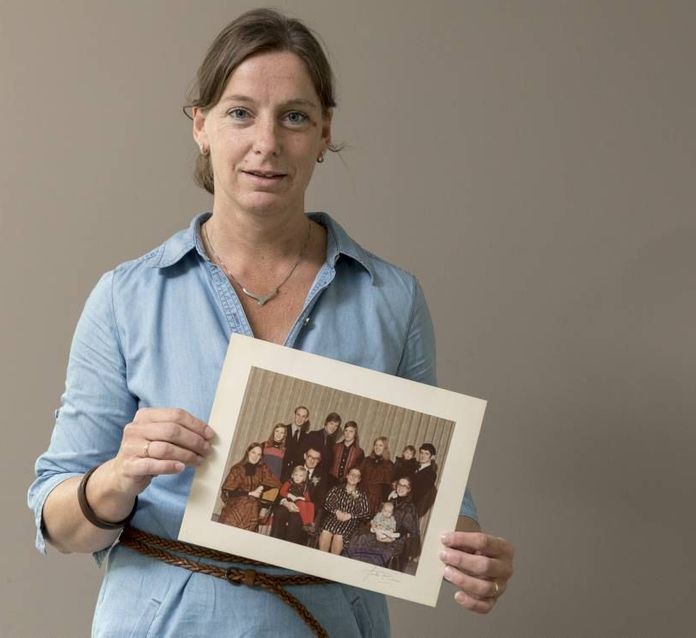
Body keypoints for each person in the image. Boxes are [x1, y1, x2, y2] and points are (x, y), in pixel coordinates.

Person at [27, 9, 514, 636]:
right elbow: (55, 519)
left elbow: (438, 504)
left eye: (294, 115)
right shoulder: (127, 298)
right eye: (239, 113)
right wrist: (118, 478)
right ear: (199, 125)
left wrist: (472, 556)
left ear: (324, 131)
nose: (267, 143)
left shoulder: (391, 299)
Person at [347, 478, 420, 571]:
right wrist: (376, 529)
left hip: (395, 536)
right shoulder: (391, 501)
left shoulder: (410, 507)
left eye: (405, 486)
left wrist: (389, 536)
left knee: (381, 552)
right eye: (400, 485)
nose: (401, 488)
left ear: (409, 489)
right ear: (396, 486)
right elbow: (378, 517)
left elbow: (405, 529)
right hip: (380, 529)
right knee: (360, 539)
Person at [218, 442, 281, 530]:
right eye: (253, 452)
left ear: (261, 457)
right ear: (248, 452)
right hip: (237, 503)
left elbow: (276, 482)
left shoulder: (262, 469)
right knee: (246, 505)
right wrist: (250, 493)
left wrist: (261, 487)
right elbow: (228, 492)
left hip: (254, 504)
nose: (255, 456)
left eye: (259, 454)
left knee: (252, 504)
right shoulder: (237, 469)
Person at [318, 467, 371, 555]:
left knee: (339, 536)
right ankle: (322, 558)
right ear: (347, 475)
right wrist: (336, 511)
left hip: (350, 521)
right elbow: (326, 503)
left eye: (357, 476)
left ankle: (333, 561)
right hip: (334, 517)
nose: (353, 477)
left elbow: (366, 512)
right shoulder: (336, 489)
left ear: (359, 480)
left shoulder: (361, 494)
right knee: (325, 531)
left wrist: (351, 515)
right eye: (352, 474)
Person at [269, 464, 315, 543]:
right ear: (292, 475)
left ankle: (308, 523)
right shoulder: (289, 482)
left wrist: (303, 498)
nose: (297, 477)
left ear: (304, 478)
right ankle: (274, 541)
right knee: (280, 512)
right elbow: (282, 491)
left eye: (300, 476)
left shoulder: (305, 487)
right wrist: (289, 495)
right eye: (296, 475)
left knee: (310, 505)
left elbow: (308, 498)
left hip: (299, 504)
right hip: (288, 502)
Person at [360, 436, 395, 513]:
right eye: (376, 445)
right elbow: (359, 475)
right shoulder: (366, 460)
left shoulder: (389, 465)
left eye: (380, 445)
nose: (377, 447)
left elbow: (387, 486)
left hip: (375, 499)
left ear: (385, 448)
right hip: (361, 494)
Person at [410, 443, 439, 520]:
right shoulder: (413, 466)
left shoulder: (431, 474)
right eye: (421, 453)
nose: (423, 456)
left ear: (432, 457)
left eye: (426, 454)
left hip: (412, 508)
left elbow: (419, 492)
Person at [280, 405, 310, 478]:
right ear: (294, 415)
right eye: (298, 415)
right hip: (279, 470)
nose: (300, 418)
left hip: (292, 475)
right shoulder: (283, 430)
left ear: (306, 419)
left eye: (303, 416)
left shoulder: (306, 437)